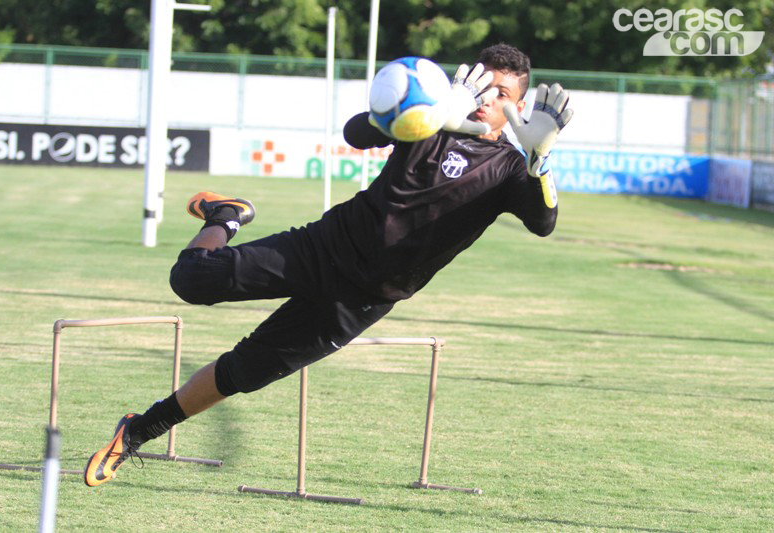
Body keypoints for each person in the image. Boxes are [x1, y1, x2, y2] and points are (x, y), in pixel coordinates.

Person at [84, 43, 573, 487]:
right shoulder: (423, 122)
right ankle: (226, 214)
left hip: (364, 299)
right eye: (483, 85)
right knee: (190, 279)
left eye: (503, 92)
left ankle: (136, 432)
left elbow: (543, 222)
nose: (489, 97)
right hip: (324, 247)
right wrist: (439, 109)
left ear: (521, 107)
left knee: (245, 373)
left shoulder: (512, 169)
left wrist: (540, 160)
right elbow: (356, 132)